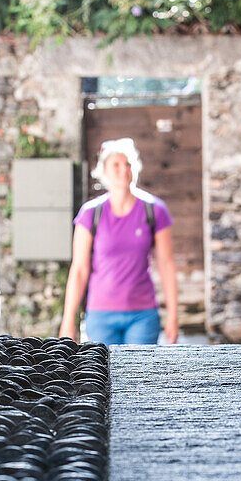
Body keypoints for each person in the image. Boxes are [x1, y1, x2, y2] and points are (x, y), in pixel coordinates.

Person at [59, 137, 179, 345]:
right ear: (103, 170)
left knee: (139, 376)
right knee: (102, 376)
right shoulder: (90, 214)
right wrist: (68, 320)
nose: (123, 170)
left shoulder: (154, 210)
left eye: (128, 164)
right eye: (116, 164)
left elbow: (166, 265)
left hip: (143, 315)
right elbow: (79, 269)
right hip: (100, 315)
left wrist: (174, 316)